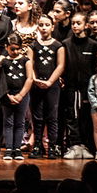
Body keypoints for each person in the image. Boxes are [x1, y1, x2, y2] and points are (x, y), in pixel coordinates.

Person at [61, 12, 97, 160]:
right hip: (71, 87)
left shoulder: (93, 44)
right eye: (73, 23)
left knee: (86, 117)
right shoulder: (66, 43)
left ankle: (85, 146)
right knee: (72, 115)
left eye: (78, 23)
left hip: (88, 88)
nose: (75, 26)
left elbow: (94, 66)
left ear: (86, 25)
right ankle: (74, 145)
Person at [28, 14, 65, 159]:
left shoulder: (58, 45)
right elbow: (30, 63)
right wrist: (35, 79)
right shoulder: (33, 45)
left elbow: (61, 65)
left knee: (52, 116)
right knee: (37, 116)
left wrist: (50, 82)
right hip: (37, 84)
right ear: (38, 27)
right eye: (41, 25)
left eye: (47, 25)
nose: (44, 28)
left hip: (52, 85)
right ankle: (37, 145)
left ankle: (52, 147)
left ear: (52, 27)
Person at [0, 33, 33, 161]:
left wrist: (21, 95)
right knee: (8, 122)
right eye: (12, 49)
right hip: (7, 95)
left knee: (20, 122)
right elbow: (1, 80)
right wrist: (7, 96)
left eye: (18, 48)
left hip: (22, 95)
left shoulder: (25, 61)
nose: (15, 51)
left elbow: (29, 79)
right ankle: (9, 149)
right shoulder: (3, 62)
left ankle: (17, 149)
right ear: (6, 47)